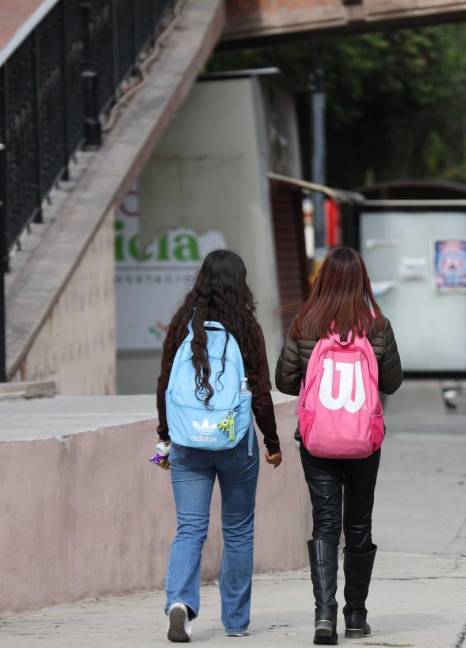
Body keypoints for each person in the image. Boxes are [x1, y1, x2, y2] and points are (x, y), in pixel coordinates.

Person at [276, 247, 403, 644]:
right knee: (359, 524)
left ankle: (324, 616)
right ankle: (356, 616)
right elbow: (392, 382)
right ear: (362, 280)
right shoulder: (377, 326)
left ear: (323, 279)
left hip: (317, 442)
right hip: (364, 442)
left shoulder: (305, 324)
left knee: (325, 523)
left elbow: (283, 381)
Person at [155, 250, 283, 643]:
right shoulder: (247, 327)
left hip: (188, 444)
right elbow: (260, 392)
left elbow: (165, 384)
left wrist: (165, 435)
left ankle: (180, 603)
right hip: (234, 443)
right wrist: (272, 441)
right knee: (239, 530)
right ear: (240, 283)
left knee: (190, 529)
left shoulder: (182, 325)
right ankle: (236, 621)